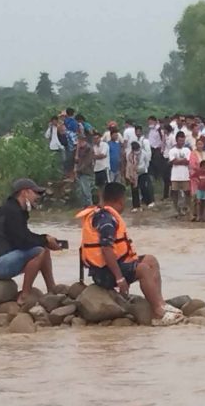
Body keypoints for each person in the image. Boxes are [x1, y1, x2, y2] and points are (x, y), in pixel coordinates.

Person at [76, 182, 184, 325]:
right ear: (120, 201)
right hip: (103, 273)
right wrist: (120, 279)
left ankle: (160, 303)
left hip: (114, 265)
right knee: (143, 269)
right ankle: (158, 314)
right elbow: (106, 249)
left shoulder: (105, 215)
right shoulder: (106, 220)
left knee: (151, 260)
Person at [0, 178, 61, 300]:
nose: (38, 197)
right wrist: (45, 239)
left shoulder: (15, 210)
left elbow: (24, 237)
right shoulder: (12, 211)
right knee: (40, 251)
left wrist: (46, 240)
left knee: (43, 248)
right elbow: (22, 242)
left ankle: (52, 289)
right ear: (24, 193)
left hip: (0, 260)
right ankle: (25, 295)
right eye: (36, 193)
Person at [167, 131, 192, 218]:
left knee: (187, 192)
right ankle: (177, 209)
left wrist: (178, 161)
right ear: (176, 140)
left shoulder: (187, 150)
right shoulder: (172, 150)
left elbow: (188, 161)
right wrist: (182, 161)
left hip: (185, 175)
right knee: (174, 193)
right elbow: (173, 161)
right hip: (175, 175)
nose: (182, 142)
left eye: (183, 141)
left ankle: (187, 208)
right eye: (180, 140)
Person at [125, 141, 154, 212]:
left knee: (144, 187)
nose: (137, 152)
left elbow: (147, 162)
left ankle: (149, 201)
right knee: (134, 189)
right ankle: (136, 205)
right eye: (135, 150)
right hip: (133, 174)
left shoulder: (143, 153)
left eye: (138, 150)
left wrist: (142, 169)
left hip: (142, 172)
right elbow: (129, 164)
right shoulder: (129, 155)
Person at [74, 135, 95, 207]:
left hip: (86, 172)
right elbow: (76, 160)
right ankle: (85, 206)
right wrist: (77, 151)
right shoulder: (79, 149)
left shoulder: (89, 149)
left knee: (86, 191)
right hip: (80, 172)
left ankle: (90, 206)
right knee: (81, 191)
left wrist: (79, 169)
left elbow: (87, 162)